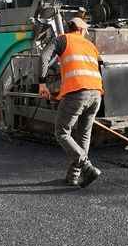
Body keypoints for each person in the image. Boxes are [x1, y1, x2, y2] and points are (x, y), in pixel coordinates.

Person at [38, 17, 103, 188]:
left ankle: (87, 166)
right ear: (82, 30)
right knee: (84, 134)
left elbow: (44, 56)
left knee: (62, 132)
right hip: (96, 94)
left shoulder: (63, 39)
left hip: (77, 93)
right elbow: (99, 65)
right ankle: (73, 177)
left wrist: (42, 83)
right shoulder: (90, 45)